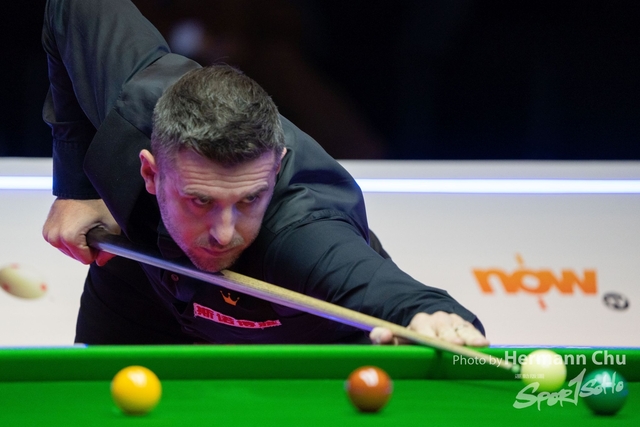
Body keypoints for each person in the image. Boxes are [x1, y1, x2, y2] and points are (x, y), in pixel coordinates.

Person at [41, 0, 489, 346]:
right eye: (200, 200)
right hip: (143, 283)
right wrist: (75, 188)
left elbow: (396, 296)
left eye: (249, 199)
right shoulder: (132, 107)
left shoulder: (303, 231)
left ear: (275, 169)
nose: (224, 232)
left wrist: (440, 320)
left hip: (295, 332)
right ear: (151, 172)